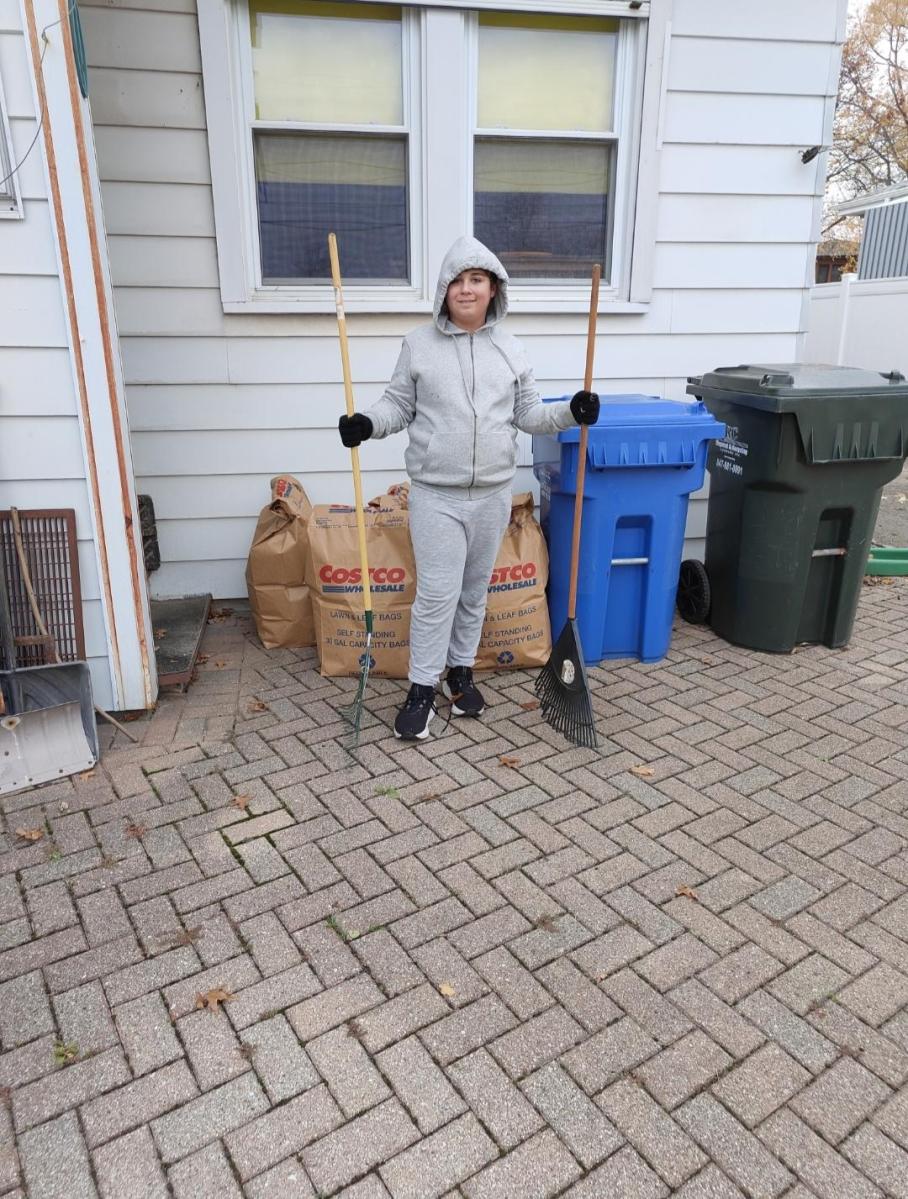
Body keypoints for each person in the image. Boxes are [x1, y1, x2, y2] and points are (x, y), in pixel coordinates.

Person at [338, 236, 599, 740]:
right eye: (456, 280)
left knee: (474, 592)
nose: (465, 289)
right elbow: (397, 406)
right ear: (444, 289)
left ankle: (459, 674)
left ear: (493, 288)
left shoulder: (511, 349)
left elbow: (528, 414)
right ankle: (422, 687)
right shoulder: (418, 345)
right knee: (437, 595)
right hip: (437, 494)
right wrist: (367, 423)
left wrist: (572, 412)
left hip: (493, 495)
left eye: (476, 279)